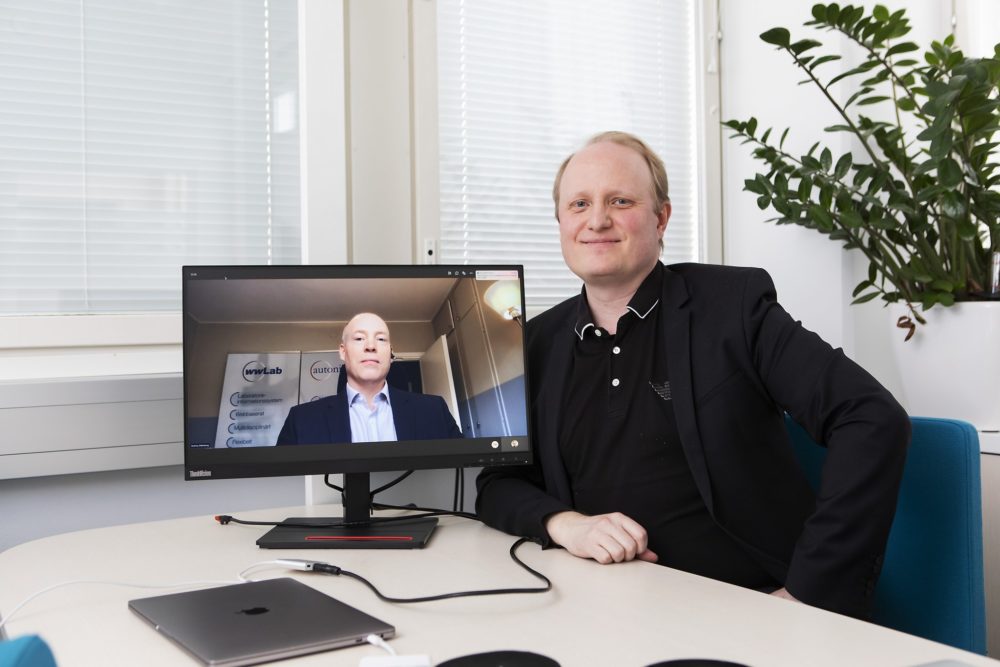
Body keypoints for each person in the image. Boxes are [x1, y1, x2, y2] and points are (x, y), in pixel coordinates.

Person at [475, 131, 909, 619]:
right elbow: (498, 483)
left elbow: (870, 417)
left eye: (620, 201)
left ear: (661, 218)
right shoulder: (537, 341)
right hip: (597, 608)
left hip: (747, 607)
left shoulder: (733, 308)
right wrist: (566, 524)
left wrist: (806, 594)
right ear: (561, 222)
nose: (597, 220)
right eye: (579, 204)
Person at [276, 312, 463, 445]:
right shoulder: (301, 419)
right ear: (343, 351)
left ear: (390, 353)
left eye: (381, 339)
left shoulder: (434, 410)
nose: (371, 346)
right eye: (359, 339)